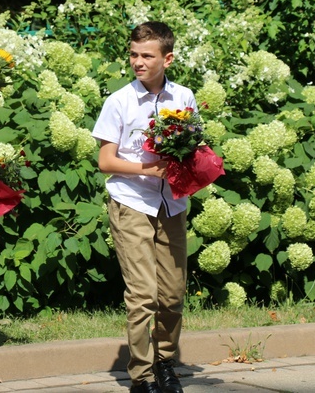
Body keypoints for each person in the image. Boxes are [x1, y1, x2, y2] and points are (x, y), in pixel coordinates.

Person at [92, 22, 194, 393]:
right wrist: (146, 168)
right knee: (143, 295)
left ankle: (165, 362)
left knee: (172, 293)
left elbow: (192, 146)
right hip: (132, 201)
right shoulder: (119, 101)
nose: (138, 61)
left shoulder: (184, 97)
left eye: (147, 56)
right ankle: (142, 375)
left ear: (167, 58)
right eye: (134, 54)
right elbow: (106, 160)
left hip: (172, 204)